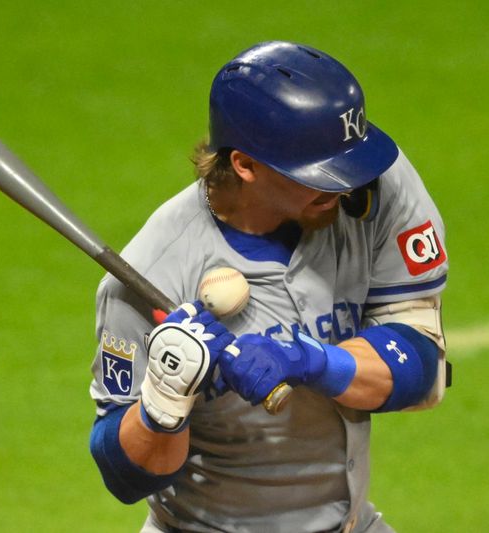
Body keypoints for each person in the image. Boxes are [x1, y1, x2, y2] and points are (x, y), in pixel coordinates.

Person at [88, 41, 449, 533]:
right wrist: (166, 399)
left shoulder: (374, 183)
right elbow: (123, 477)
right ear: (245, 165)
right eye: (320, 174)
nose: (345, 187)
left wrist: (312, 361)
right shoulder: (151, 273)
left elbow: (421, 367)